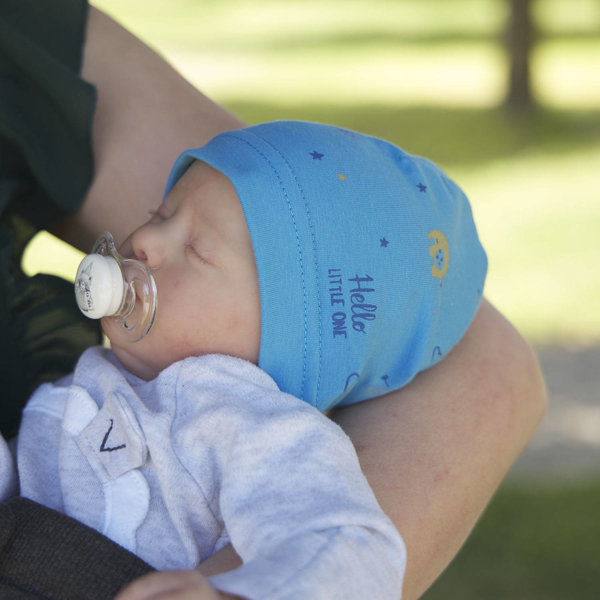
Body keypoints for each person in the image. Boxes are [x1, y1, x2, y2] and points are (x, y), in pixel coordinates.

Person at [0, 1, 547, 599]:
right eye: (160, 213)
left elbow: (342, 547)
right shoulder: (104, 379)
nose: (146, 241)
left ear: (286, 334)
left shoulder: (254, 429)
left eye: (198, 249)